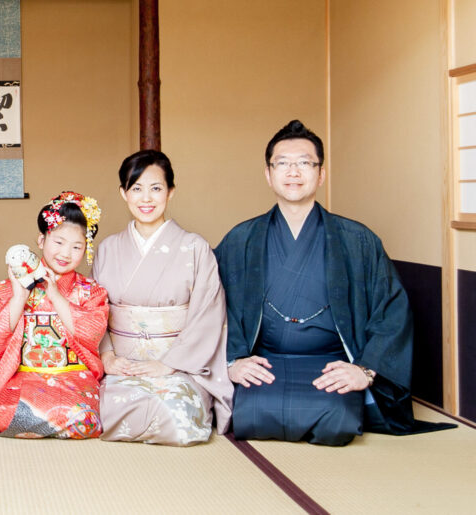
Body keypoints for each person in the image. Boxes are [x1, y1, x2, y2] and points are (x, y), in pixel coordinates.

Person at [217, 119, 453, 445]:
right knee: (250, 415)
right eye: (282, 164)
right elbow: (214, 307)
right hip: (264, 362)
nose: (293, 172)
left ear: (321, 174)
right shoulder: (241, 239)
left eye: (305, 163)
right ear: (268, 175)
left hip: (332, 362)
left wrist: (365, 370)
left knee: (337, 419)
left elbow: (392, 310)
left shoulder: (357, 239)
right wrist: (234, 361)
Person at [94, 150, 233, 445]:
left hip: (178, 367)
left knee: (175, 413)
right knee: (100, 409)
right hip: (123, 367)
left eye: (156, 188)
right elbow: (94, 313)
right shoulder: (107, 249)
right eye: (136, 189)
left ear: (171, 192)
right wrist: (107, 357)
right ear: (123, 193)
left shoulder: (194, 248)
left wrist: (168, 364)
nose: (146, 198)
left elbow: (208, 316)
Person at [0, 191, 108, 439]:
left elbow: (91, 333)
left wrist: (56, 296)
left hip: (74, 377)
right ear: (42, 240)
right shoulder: (6, 290)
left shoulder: (91, 292)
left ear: (86, 249)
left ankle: (45, 422)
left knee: (84, 417)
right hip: (25, 376)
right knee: (6, 413)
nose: (65, 253)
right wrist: (19, 296)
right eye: (59, 242)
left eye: (76, 247)